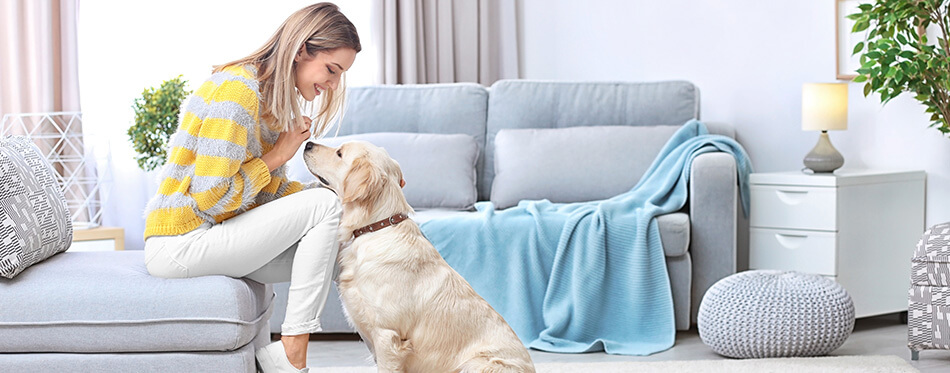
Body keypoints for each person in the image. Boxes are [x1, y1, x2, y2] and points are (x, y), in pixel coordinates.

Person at [142, 3, 360, 372]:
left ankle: (395, 356)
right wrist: (277, 155)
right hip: (181, 241)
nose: (333, 85)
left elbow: (264, 196)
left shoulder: (269, 102)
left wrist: (343, 193)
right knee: (324, 205)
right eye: (332, 70)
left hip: (214, 235)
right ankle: (293, 350)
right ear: (303, 49)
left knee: (344, 252)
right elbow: (211, 199)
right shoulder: (238, 90)